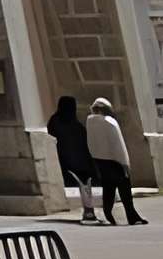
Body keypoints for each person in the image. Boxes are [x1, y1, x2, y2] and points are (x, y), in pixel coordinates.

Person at [86, 97, 146, 226]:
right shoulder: (110, 122)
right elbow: (118, 145)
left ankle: (108, 214)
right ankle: (131, 215)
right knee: (124, 189)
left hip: (100, 160)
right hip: (115, 161)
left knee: (108, 188)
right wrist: (125, 163)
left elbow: (90, 142)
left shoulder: (89, 121)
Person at [48, 96, 100, 223]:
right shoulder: (71, 123)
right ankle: (89, 210)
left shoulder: (57, 121)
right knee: (85, 184)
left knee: (85, 185)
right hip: (76, 159)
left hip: (73, 159)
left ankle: (89, 210)